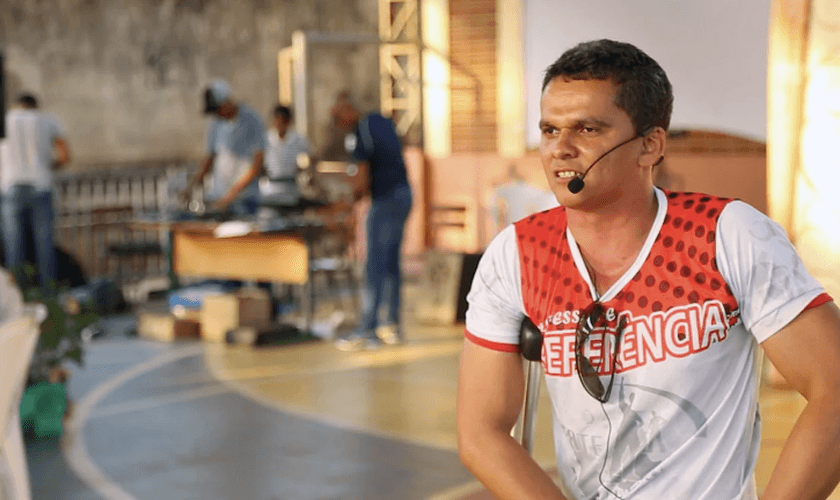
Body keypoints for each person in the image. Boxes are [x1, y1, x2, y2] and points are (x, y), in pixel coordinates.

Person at [456, 39, 840, 500]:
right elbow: (481, 431)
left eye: (587, 129)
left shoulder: (726, 235)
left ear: (650, 145)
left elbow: (834, 389)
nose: (560, 149)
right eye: (549, 130)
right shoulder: (517, 254)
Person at [332, 92, 413, 350]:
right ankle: (391, 325)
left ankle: (367, 329)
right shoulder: (382, 121)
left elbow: (362, 177)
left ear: (348, 111)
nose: (339, 125)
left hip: (386, 199)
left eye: (339, 119)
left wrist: (348, 202)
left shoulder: (362, 131)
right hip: (404, 195)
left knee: (375, 265)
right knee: (390, 264)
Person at [0, 93, 71, 291]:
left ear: (17, 105)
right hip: (41, 185)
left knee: (13, 246)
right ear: (35, 105)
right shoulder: (48, 120)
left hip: (10, 187)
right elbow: (64, 156)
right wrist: (48, 166)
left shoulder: (6, 120)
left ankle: (18, 296)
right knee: (44, 246)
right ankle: (49, 293)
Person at [183, 79, 265, 216]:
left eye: (218, 109)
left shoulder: (252, 120)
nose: (217, 114)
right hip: (219, 197)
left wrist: (233, 193)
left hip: (245, 199)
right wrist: (193, 186)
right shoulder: (215, 124)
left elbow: (257, 164)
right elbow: (209, 157)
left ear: (227, 102)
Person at [259, 104, 311, 209]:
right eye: (276, 120)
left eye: (281, 120)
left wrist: (306, 172)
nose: (278, 123)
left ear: (287, 121)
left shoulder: (297, 139)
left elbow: (312, 157)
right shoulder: (267, 138)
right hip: (270, 187)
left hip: (290, 187)